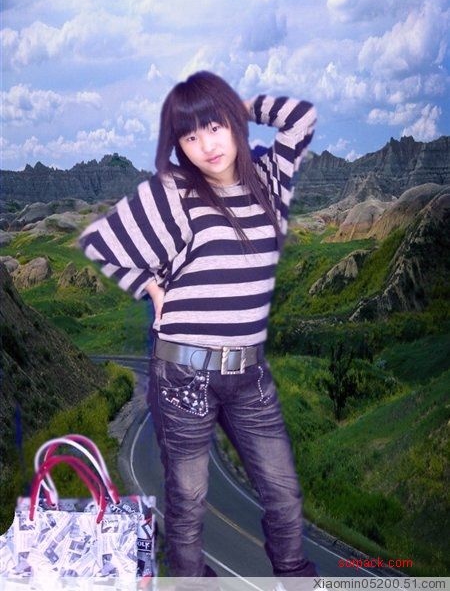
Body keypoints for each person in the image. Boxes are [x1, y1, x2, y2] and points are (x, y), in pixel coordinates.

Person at [77, 70, 318, 587]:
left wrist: (236, 105)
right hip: (184, 372)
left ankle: (293, 577)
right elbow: (102, 242)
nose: (206, 145)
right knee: (188, 500)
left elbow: (300, 119)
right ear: (178, 147)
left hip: (249, 374)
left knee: (282, 491)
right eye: (189, 136)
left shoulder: (269, 179)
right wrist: (153, 289)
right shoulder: (177, 192)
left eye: (214, 126)